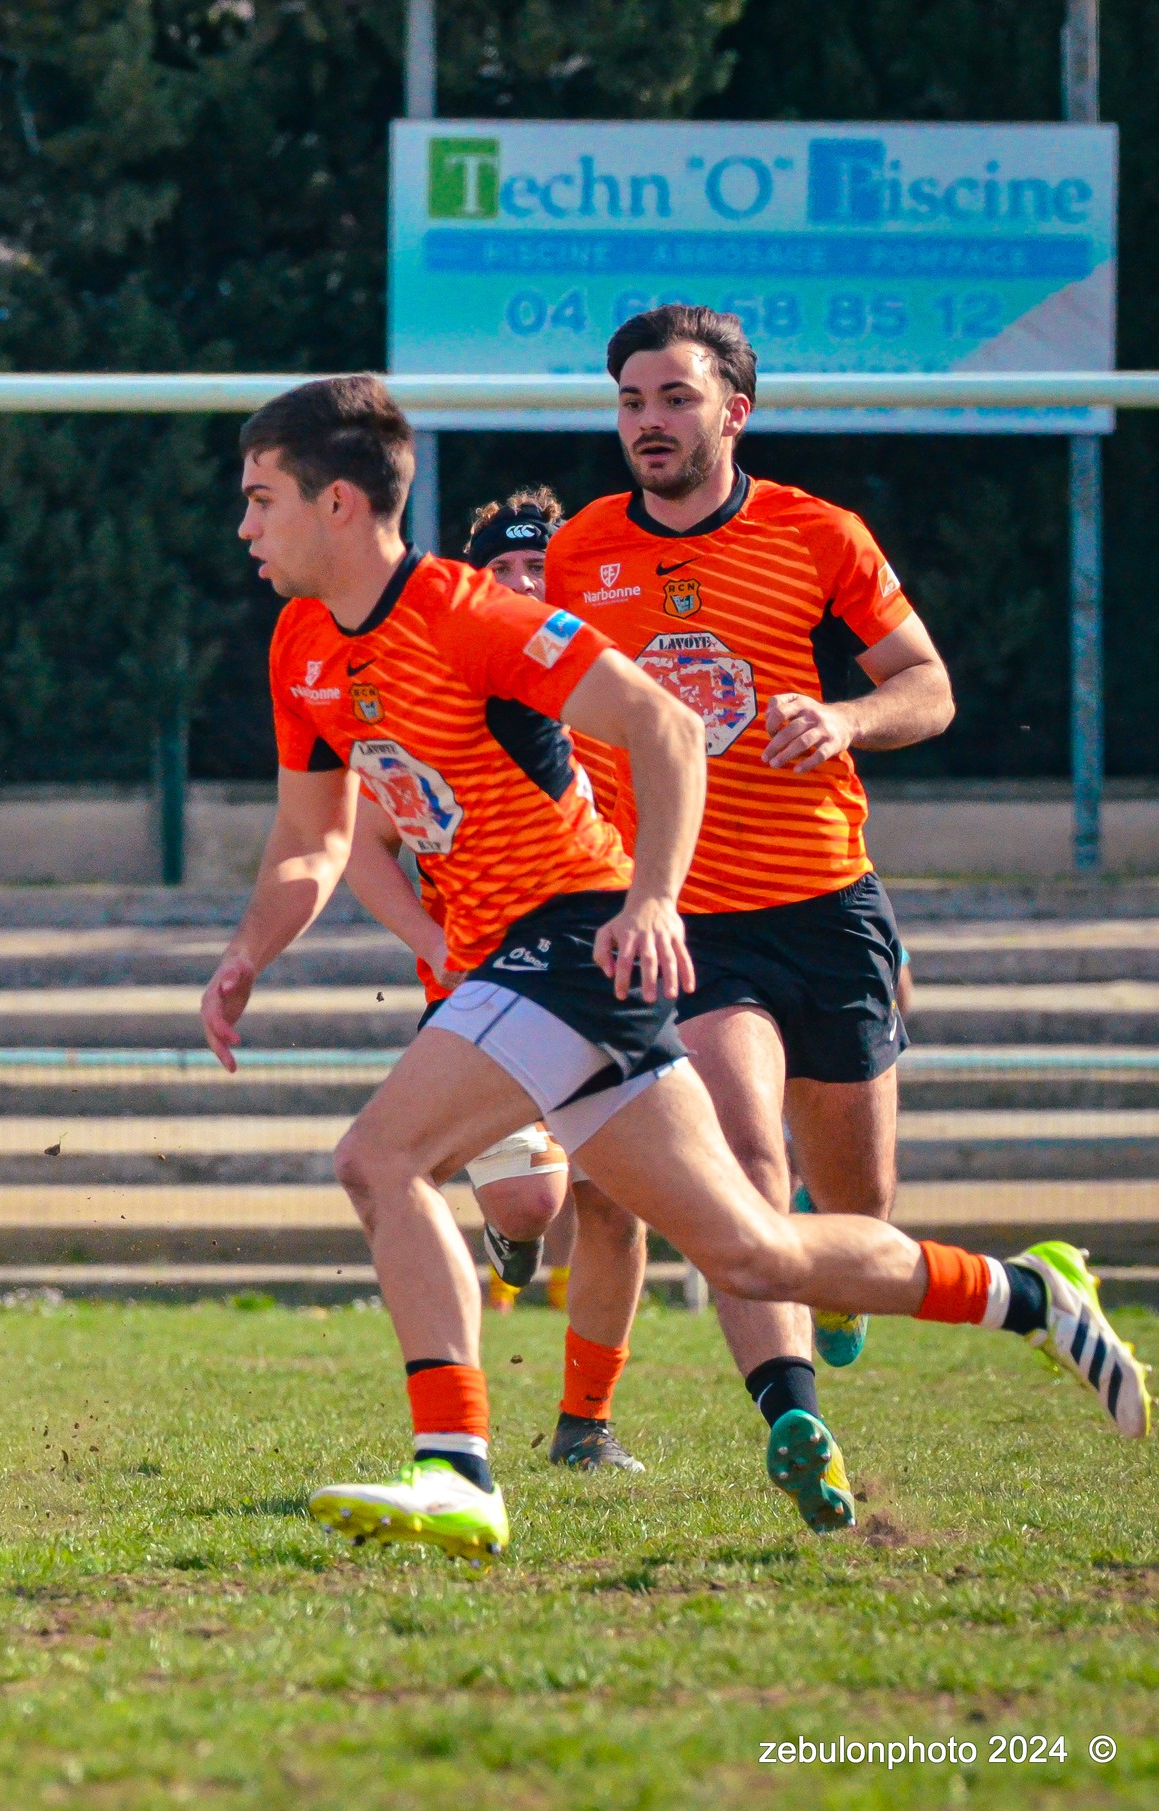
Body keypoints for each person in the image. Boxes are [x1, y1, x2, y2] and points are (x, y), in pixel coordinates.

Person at [202, 374, 1146, 1567]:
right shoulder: (300, 644)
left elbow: (661, 723)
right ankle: (1031, 1295)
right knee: (752, 1248)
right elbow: (311, 841)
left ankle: (455, 1472)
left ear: (337, 502)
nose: (244, 527)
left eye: (259, 499)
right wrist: (247, 950)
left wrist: (652, 898)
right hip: (523, 959)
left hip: (578, 935)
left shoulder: (467, 613)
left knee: (378, 1156)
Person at [546, 303, 951, 1525]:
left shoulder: (815, 532)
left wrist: (840, 717)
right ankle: (793, 1417)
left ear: (735, 409)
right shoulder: (578, 553)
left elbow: (924, 686)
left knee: (857, 1196)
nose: (648, 421)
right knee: (738, 1143)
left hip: (825, 902)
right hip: (681, 915)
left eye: (673, 397)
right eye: (629, 400)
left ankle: (836, 1277)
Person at [340, 484, 647, 1474]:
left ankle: (584, 1426)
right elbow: (355, 837)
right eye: (504, 570)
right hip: (489, 980)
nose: (524, 583)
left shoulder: (608, 702)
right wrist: (434, 939)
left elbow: (684, 807)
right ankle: (456, 1440)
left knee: (628, 1204)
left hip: (601, 965)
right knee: (524, 1203)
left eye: (541, 570)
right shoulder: (454, 688)